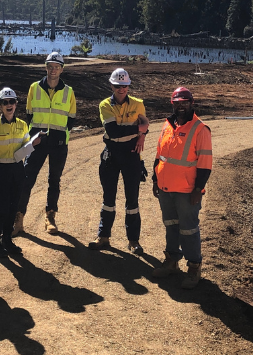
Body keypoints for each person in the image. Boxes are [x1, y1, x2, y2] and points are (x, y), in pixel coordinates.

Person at [151, 87, 213, 289]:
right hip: (166, 188)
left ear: (191, 104)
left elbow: (205, 163)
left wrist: (198, 189)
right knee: (171, 225)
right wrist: (155, 179)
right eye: (177, 103)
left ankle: (194, 266)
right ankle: (171, 261)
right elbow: (160, 155)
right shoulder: (167, 125)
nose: (181, 106)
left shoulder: (200, 129)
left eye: (184, 102)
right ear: (172, 104)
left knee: (189, 229)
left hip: (187, 192)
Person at [14, 51, 77, 235]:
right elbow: (29, 114)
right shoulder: (34, 87)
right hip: (37, 141)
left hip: (58, 142)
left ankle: (50, 217)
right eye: (50, 66)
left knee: (54, 180)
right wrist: (35, 134)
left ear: (61, 69)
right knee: (27, 178)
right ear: (46, 68)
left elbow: (71, 118)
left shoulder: (69, 91)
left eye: (57, 67)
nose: (53, 70)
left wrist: (61, 133)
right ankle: (18, 218)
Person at [88, 68, 149, 255]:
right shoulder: (105, 105)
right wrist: (139, 129)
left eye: (124, 86)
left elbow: (144, 128)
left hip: (131, 154)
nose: (121, 89)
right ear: (111, 86)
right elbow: (113, 132)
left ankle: (133, 241)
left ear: (128, 85)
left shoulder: (139, 104)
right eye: (117, 86)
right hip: (112, 153)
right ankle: (103, 236)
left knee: (132, 199)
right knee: (109, 198)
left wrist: (142, 135)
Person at [0, 87, 41, 258]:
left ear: (16, 104)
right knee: (2, 209)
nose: (9, 105)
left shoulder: (23, 125)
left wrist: (33, 144)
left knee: (13, 208)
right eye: (5, 102)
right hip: (0, 170)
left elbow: (24, 150)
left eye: (12, 102)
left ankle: (7, 240)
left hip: (17, 170)